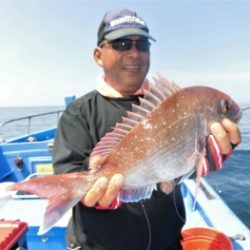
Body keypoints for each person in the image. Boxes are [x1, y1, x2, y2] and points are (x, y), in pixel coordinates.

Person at [52, 8, 241, 250]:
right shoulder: (78, 113)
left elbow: (177, 169)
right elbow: (69, 174)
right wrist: (94, 197)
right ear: (99, 55)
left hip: (167, 242)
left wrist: (207, 161)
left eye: (142, 44)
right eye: (121, 44)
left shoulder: (168, 104)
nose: (134, 53)